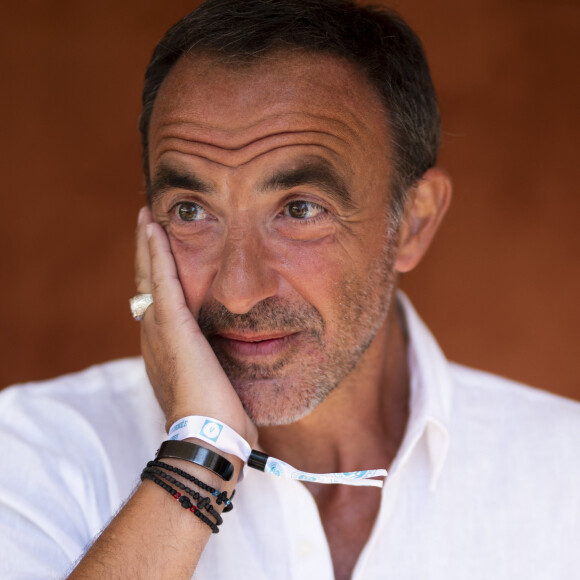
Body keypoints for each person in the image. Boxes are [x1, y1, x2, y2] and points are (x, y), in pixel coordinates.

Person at [1, 0, 579, 578]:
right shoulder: (31, 449)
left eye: (300, 209)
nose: (238, 292)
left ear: (414, 222)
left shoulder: (563, 470)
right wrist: (199, 455)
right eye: (191, 210)